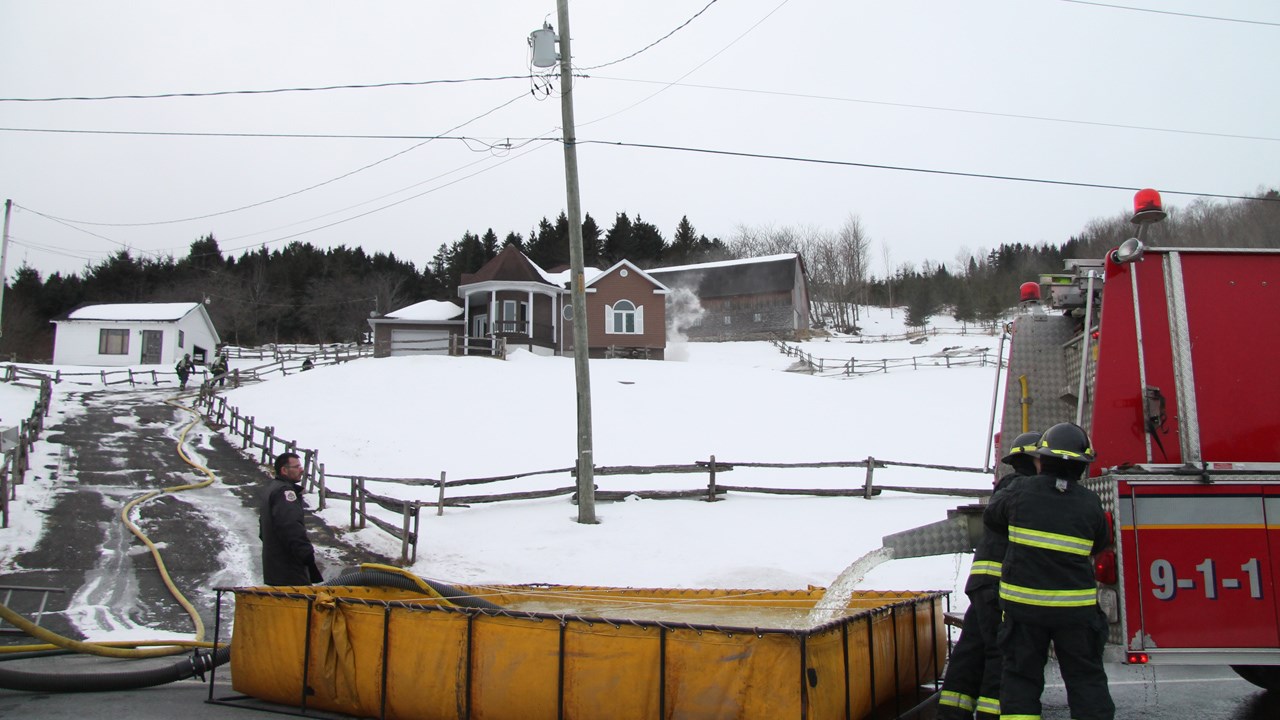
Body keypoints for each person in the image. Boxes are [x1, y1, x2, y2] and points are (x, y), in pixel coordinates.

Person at [984, 422, 1114, 720]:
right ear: (1082, 465)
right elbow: (1100, 543)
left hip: (1024, 610)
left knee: (1021, 680)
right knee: (1086, 680)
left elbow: (993, 519)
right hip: (1076, 613)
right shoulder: (1090, 504)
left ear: (1042, 459)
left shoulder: (1018, 492)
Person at [937, 431, 1042, 720]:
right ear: (1034, 459)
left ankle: (951, 712)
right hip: (1000, 585)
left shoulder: (1007, 489)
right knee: (1002, 651)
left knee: (972, 648)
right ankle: (991, 713)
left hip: (983, 584)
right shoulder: (1027, 492)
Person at [259, 452, 323, 586]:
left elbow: (262, 531)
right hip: (288, 571)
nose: (301, 470)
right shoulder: (284, 493)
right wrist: (306, 555)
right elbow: (290, 527)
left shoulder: (272, 488)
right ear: (284, 470)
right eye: (297, 466)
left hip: (275, 568)